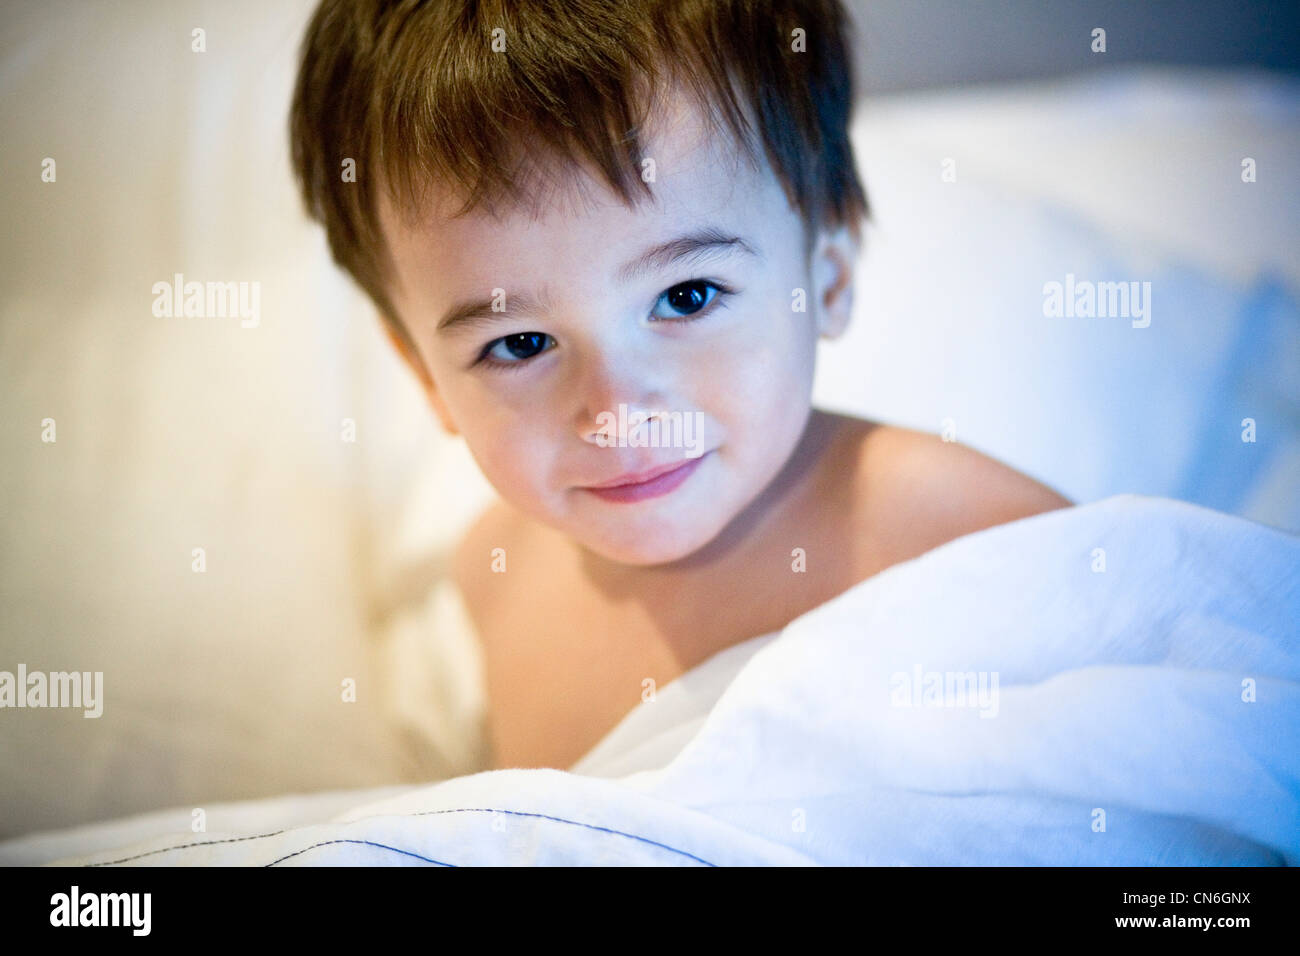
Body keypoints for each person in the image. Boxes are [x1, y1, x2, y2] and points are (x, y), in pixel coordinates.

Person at [289, 0, 1071, 772]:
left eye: (688, 296)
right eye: (519, 343)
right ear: (425, 377)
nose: (620, 415)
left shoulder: (968, 536)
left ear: (825, 278)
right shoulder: (492, 578)